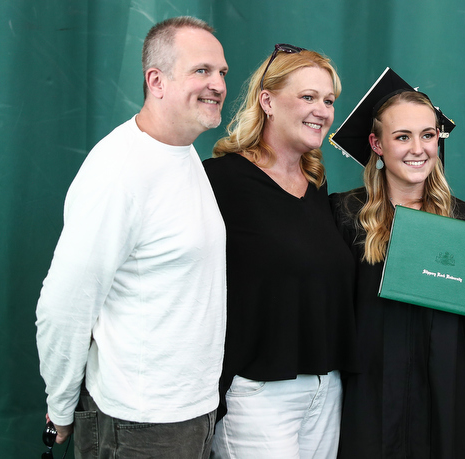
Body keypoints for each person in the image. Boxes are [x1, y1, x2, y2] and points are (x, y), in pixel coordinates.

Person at [35, 16, 229, 458]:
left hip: (193, 413)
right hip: (138, 426)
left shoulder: (183, 154)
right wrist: (61, 407)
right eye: (202, 70)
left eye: (222, 72)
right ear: (156, 81)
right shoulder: (118, 172)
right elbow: (64, 306)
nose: (217, 83)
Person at [329, 68, 465, 458]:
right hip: (371, 398)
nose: (418, 148)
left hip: (449, 395)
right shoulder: (347, 216)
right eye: (402, 137)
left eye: (428, 135)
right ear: (377, 144)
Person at [203, 44, 358, 458]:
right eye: (308, 97)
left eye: (328, 100)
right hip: (257, 395)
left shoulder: (319, 191)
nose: (322, 111)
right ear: (267, 101)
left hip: (327, 391)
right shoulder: (218, 181)